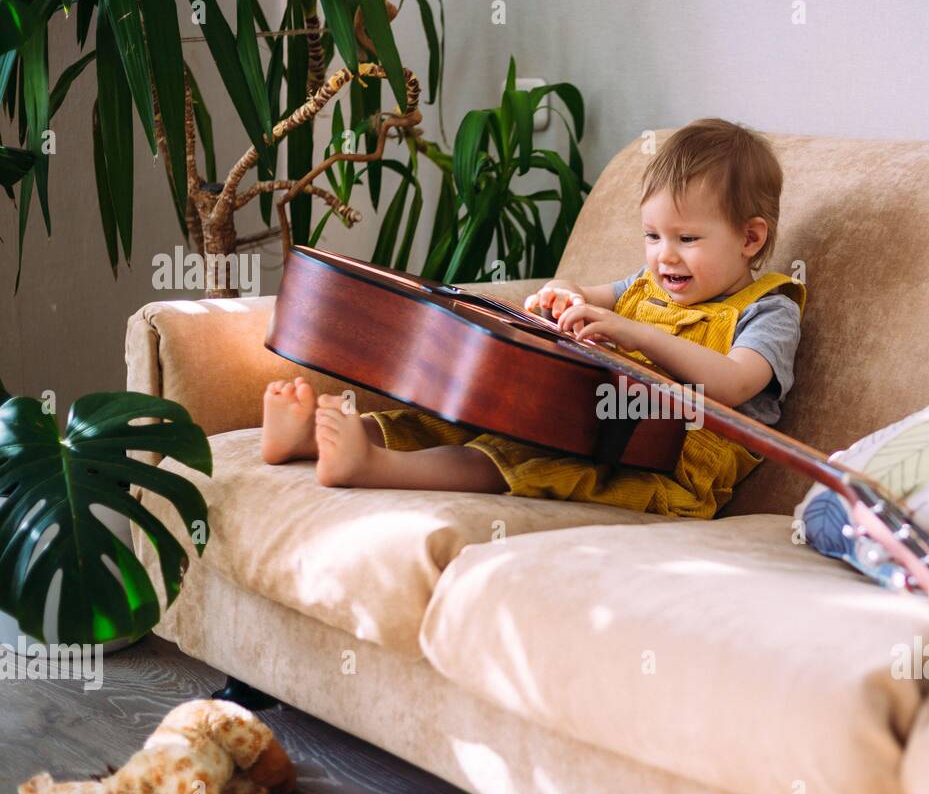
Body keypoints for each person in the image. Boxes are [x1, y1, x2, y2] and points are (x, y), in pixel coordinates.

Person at [259, 118, 806, 519]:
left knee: (529, 461)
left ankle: (374, 470)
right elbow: (585, 293)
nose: (665, 256)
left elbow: (734, 384)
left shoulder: (769, 308)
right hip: (595, 421)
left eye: (687, 239)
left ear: (750, 237)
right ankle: (312, 439)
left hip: (667, 466)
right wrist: (561, 294)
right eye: (653, 236)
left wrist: (631, 331)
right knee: (462, 415)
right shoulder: (644, 287)